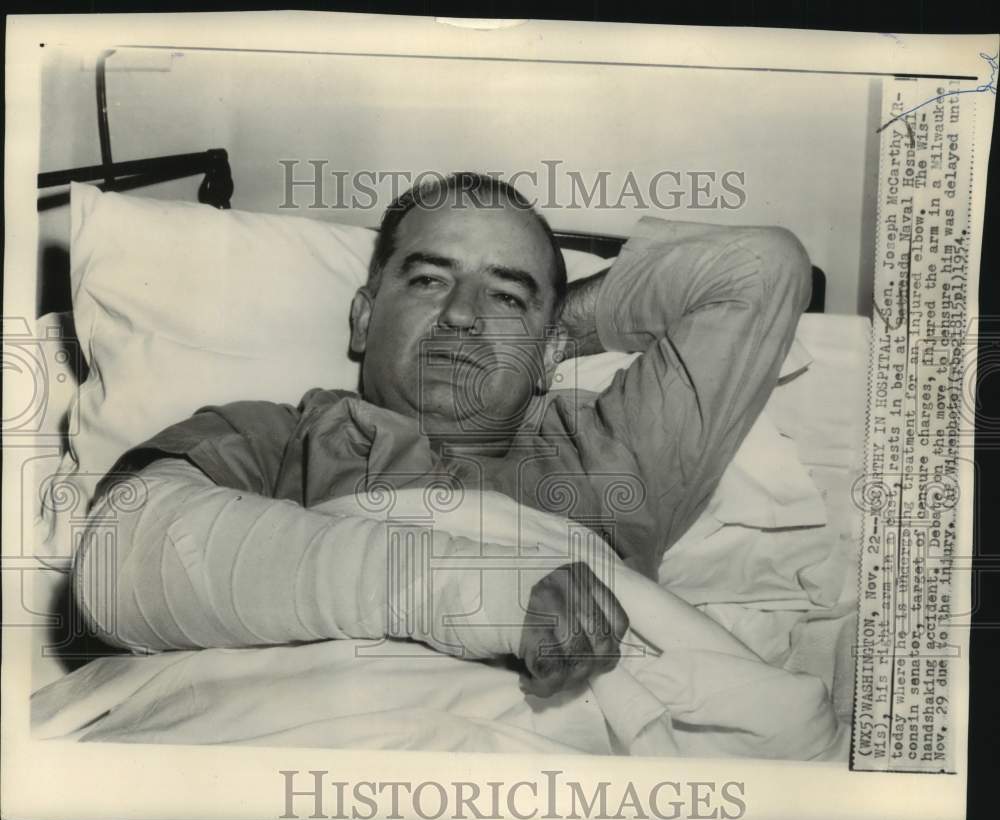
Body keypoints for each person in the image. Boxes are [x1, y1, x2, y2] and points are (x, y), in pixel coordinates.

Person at [73, 172, 812, 698]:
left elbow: (760, 269)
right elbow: (120, 556)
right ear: (364, 318)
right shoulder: (276, 434)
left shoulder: (607, 457)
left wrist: (556, 334)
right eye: (429, 280)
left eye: (504, 295)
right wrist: (476, 595)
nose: (462, 316)